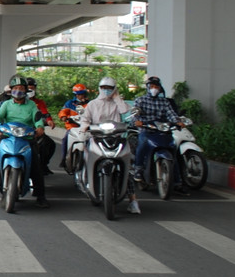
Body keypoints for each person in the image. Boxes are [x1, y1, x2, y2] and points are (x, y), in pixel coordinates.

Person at [0, 75, 48, 210]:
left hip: (27, 138)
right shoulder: (6, 104)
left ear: (26, 91)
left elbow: (37, 118)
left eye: (21, 88)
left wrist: (40, 126)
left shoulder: (31, 105)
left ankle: (40, 196)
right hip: (7, 136)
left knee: (36, 165)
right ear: (11, 90)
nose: (18, 90)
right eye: (15, 88)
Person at [81, 76, 141, 214]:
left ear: (114, 89)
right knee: (84, 155)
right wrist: (84, 127)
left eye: (109, 88)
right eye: (104, 88)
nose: (106, 91)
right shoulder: (92, 104)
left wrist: (117, 97)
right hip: (97, 137)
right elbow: (86, 119)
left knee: (128, 167)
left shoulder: (117, 103)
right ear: (99, 88)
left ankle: (133, 201)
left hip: (116, 138)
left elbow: (125, 111)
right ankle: (85, 179)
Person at [131, 75, 189, 195]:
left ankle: (177, 181)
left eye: (156, 86)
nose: (154, 88)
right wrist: (137, 121)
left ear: (160, 88)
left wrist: (178, 121)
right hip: (147, 129)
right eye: (151, 86)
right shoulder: (140, 100)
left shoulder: (164, 102)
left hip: (162, 130)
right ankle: (138, 169)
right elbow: (135, 114)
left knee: (173, 150)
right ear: (147, 87)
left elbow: (171, 114)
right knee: (142, 143)